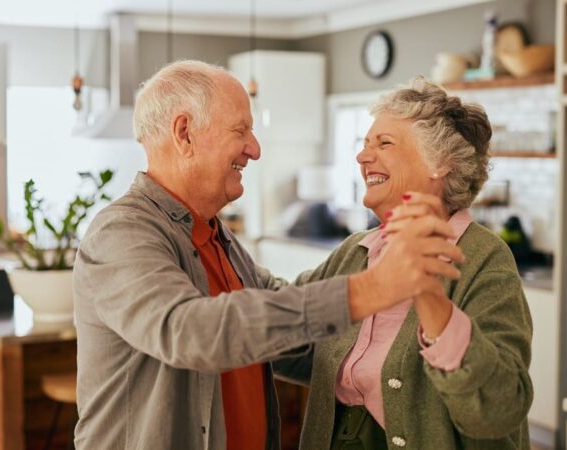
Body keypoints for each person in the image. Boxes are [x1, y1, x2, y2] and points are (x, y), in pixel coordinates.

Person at [72, 61, 464, 450]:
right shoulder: (121, 233)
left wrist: (436, 361)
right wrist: (367, 291)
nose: (254, 150)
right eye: (241, 130)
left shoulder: (215, 235)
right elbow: (191, 332)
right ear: (184, 133)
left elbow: (291, 338)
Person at [291, 77, 533, 449]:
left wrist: (431, 300)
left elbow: (499, 408)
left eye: (384, 143)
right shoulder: (355, 251)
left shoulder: (486, 260)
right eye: (365, 144)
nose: (362, 156)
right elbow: (289, 317)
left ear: (440, 164)